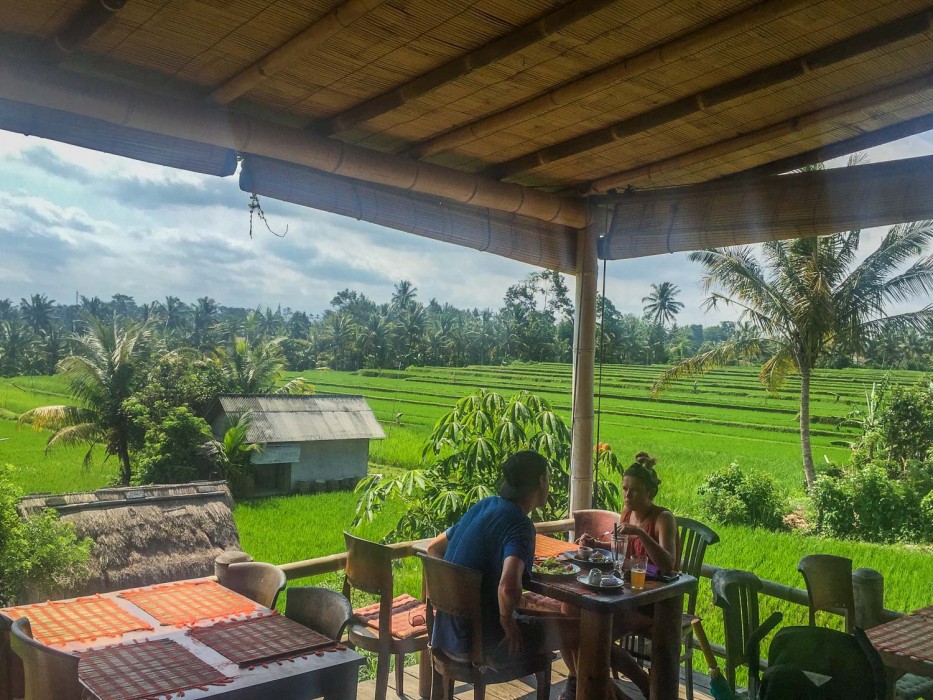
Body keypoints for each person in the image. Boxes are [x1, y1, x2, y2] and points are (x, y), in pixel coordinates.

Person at [425, 450, 571, 668]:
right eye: (548, 479)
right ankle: (585, 687)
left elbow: (433, 549)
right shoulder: (520, 525)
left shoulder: (484, 505)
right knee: (582, 631)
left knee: (558, 621)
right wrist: (506, 621)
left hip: (446, 636)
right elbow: (508, 588)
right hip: (485, 642)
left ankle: (588, 687)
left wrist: (457, 599)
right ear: (542, 481)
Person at [570, 451, 679, 696]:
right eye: (625, 489)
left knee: (596, 636)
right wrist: (596, 545)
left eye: (634, 491)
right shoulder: (627, 514)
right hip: (627, 593)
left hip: (654, 602)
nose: (627, 496)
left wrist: (641, 534)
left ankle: (634, 685)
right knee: (583, 629)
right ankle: (619, 689)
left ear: (649, 493)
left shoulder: (663, 518)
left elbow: (668, 564)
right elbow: (621, 550)